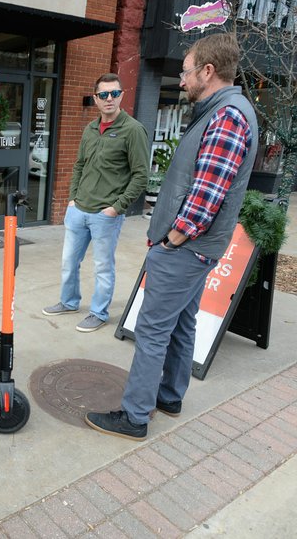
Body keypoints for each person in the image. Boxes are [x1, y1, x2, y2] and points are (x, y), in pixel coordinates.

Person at [86, 33, 258, 440]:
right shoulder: (221, 111)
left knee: (151, 331)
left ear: (208, 71)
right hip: (194, 249)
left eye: (186, 71)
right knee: (182, 323)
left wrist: (173, 239)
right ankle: (170, 396)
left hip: (186, 248)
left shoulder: (227, 116)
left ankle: (134, 416)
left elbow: (207, 195)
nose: (181, 80)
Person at [43, 73, 149, 333]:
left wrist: (116, 207)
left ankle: (98, 313)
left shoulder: (133, 130)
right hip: (79, 209)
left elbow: (141, 175)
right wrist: (72, 198)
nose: (109, 99)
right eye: (103, 95)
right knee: (69, 261)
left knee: (103, 267)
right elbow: (80, 164)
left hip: (106, 214)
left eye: (114, 93)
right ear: (96, 99)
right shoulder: (90, 129)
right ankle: (69, 302)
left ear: (122, 95)